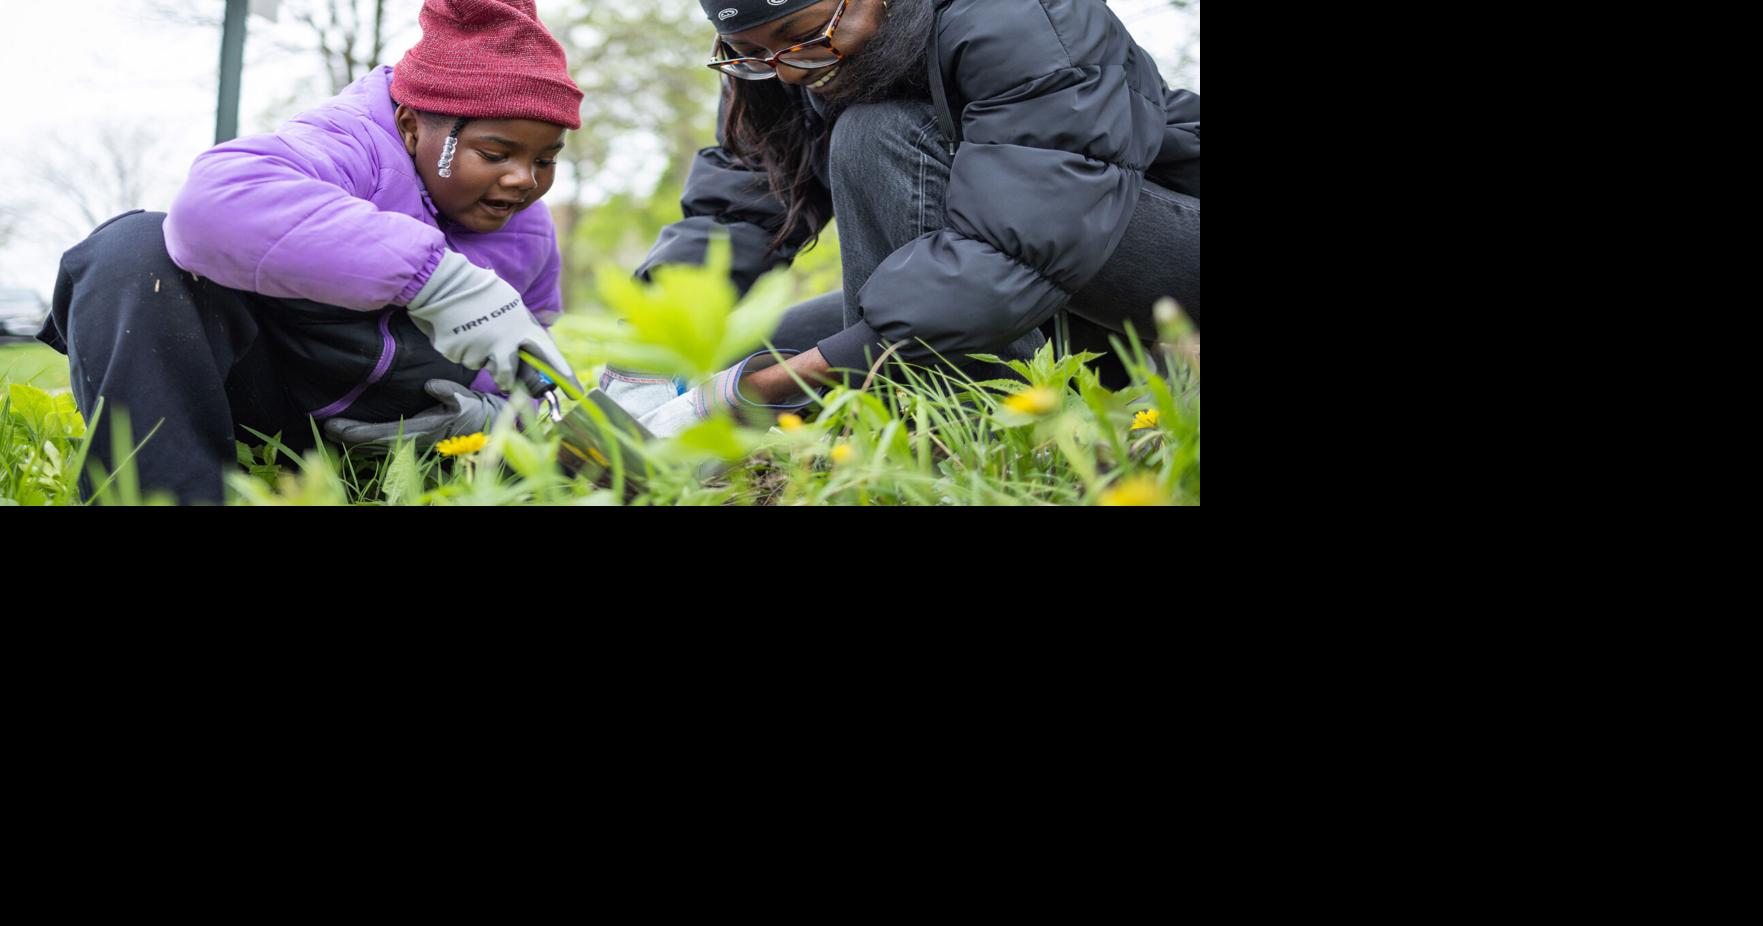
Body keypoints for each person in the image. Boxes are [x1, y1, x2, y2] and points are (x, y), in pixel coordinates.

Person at [35, 0, 584, 504]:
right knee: (134, 251)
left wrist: (495, 422)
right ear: (411, 126)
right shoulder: (351, 144)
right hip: (271, 409)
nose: (522, 180)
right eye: (494, 153)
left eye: (545, 161)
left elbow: (529, 368)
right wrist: (438, 279)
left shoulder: (529, 232)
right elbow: (213, 203)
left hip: (399, 447)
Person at [607, 0, 1200, 436]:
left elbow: (1018, 245)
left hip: (1149, 250)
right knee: (743, 349)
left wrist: (763, 389)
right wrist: (644, 354)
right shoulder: (785, 61)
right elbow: (737, 203)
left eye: (801, 34)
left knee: (876, 132)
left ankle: (977, 429)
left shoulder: (1022, 17)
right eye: (750, 52)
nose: (785, 70)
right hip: (1029, 276)